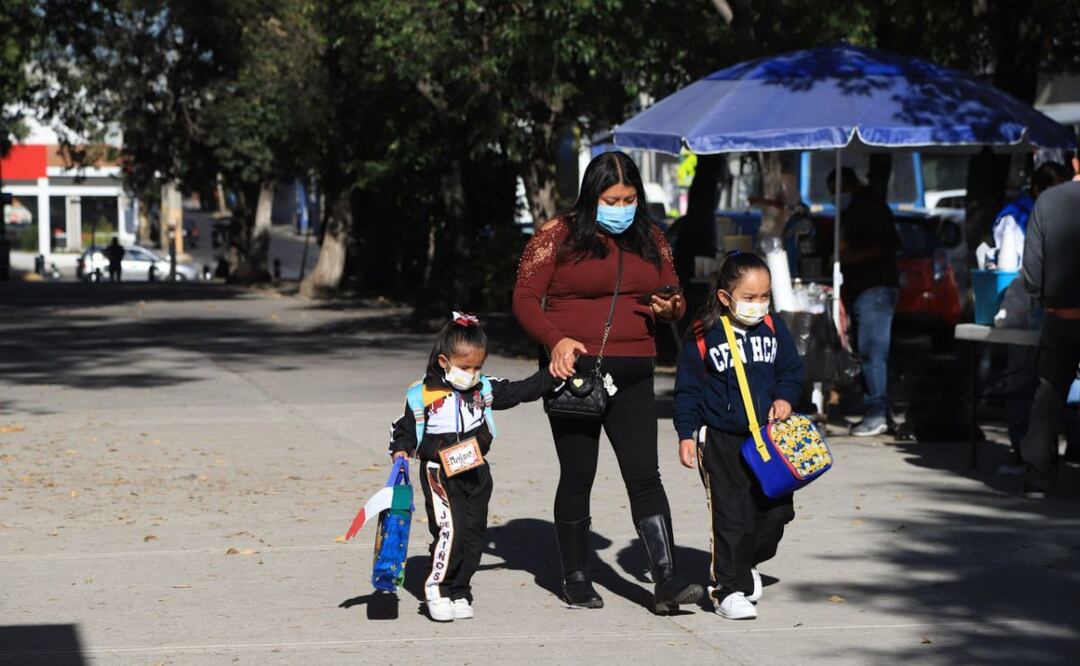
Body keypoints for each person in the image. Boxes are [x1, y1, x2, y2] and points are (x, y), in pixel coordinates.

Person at [513, 151, 703, 613]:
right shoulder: (555, 234)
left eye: (630, 198)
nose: (622, 207)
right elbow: (524, 298)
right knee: (579, 474)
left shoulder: (652, 237)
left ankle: (666, 579)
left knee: (644, 475)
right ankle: (576, 576)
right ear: (591, 196)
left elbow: (675, 296)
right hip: (575, 374)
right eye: (612, 199)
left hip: (636, 369)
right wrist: (555, 340)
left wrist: (670, 308)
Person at [388, 313, 555, 621]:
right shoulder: (422, 394)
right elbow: (405, 428)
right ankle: (436, 589)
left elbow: (522, 390)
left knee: (474, 534)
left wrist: (554, 373)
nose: (472, 373)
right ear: (443, 361)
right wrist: (401, 449)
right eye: (465, 367)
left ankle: (460, 590)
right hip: (439, 473)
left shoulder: (484, 390)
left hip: (476, 473)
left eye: (478, 367)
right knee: (450, 531)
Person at [673, 251, 804, 620]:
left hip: (768, 441)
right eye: (749, 297)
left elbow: (792, 371)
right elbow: (687, 390)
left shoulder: (774, 328)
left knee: (777, 513)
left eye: (765, 296)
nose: (758, 304)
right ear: (725, 297)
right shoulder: (704, 335)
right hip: (721, 440)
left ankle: (746, 564)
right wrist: (686, 434)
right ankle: (727, 590)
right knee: (732, 517)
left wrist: (784, 397)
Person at [992, 162, 1069, 474]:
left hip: (1050, 312)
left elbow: (1031, 273)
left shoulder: (1042, 210)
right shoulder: (1019, 216)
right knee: (1039, 387)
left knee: (1040, 390)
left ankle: (1033, 463)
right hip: (1040, 311)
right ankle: (1033, 453)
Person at [1019, 155, 1080, 498]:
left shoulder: (1048, 200)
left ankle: (1037, 478)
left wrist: (1040, 296)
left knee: (1049, 393)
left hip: (1060, 317)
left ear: (1074, 162)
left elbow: (1031, 267)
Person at [827, 167, 900, 437]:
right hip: (866, 288)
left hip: (875, 287)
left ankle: (878, 411)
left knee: (873, 352)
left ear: (845, 185)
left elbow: (884, 245)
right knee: (870, 351)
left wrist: (848, 259)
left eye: (835, 192)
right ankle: (879, 409)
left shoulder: (869, 207)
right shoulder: (859, 207)